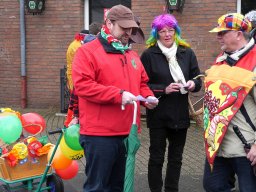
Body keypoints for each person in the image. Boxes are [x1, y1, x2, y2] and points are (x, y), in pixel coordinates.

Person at [72, 4, 158, 192]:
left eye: (130, 28)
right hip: (99, 135)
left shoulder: (131, 54)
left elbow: (142, 83)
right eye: (123, 28)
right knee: (97, 187)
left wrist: (148, 98)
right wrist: (118, 95)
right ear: (109, 23)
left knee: (119, 186)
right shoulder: (87, 52)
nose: (128, 33)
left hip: (128, 133)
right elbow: (83, 86)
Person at [140, 14, 202, 192]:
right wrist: (163, 89)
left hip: (180, 114)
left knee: (176, 158)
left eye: (170, 30)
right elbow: (142, 85)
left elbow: (197, 78)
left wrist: (193, 84)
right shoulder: (149, 54)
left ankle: (171, 189)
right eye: (162, 31)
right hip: (158, 115)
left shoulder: (186, 52)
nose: (167, 34)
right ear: (156, 33)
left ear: (176, 32)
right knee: (156, 157)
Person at [203, 13, 256, 192]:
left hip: (247, 149)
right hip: (217, 146)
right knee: (212, 187)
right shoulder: (221, 60)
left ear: (239, 34)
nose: (218, 37)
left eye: (222, 32)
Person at [64, 22, 102, 127]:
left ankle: (70, 123)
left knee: (74, 104)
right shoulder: (80, 46)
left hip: (73, 77)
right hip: (76, 78)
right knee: (75, 105)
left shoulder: (75, 44)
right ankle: (69, 124)